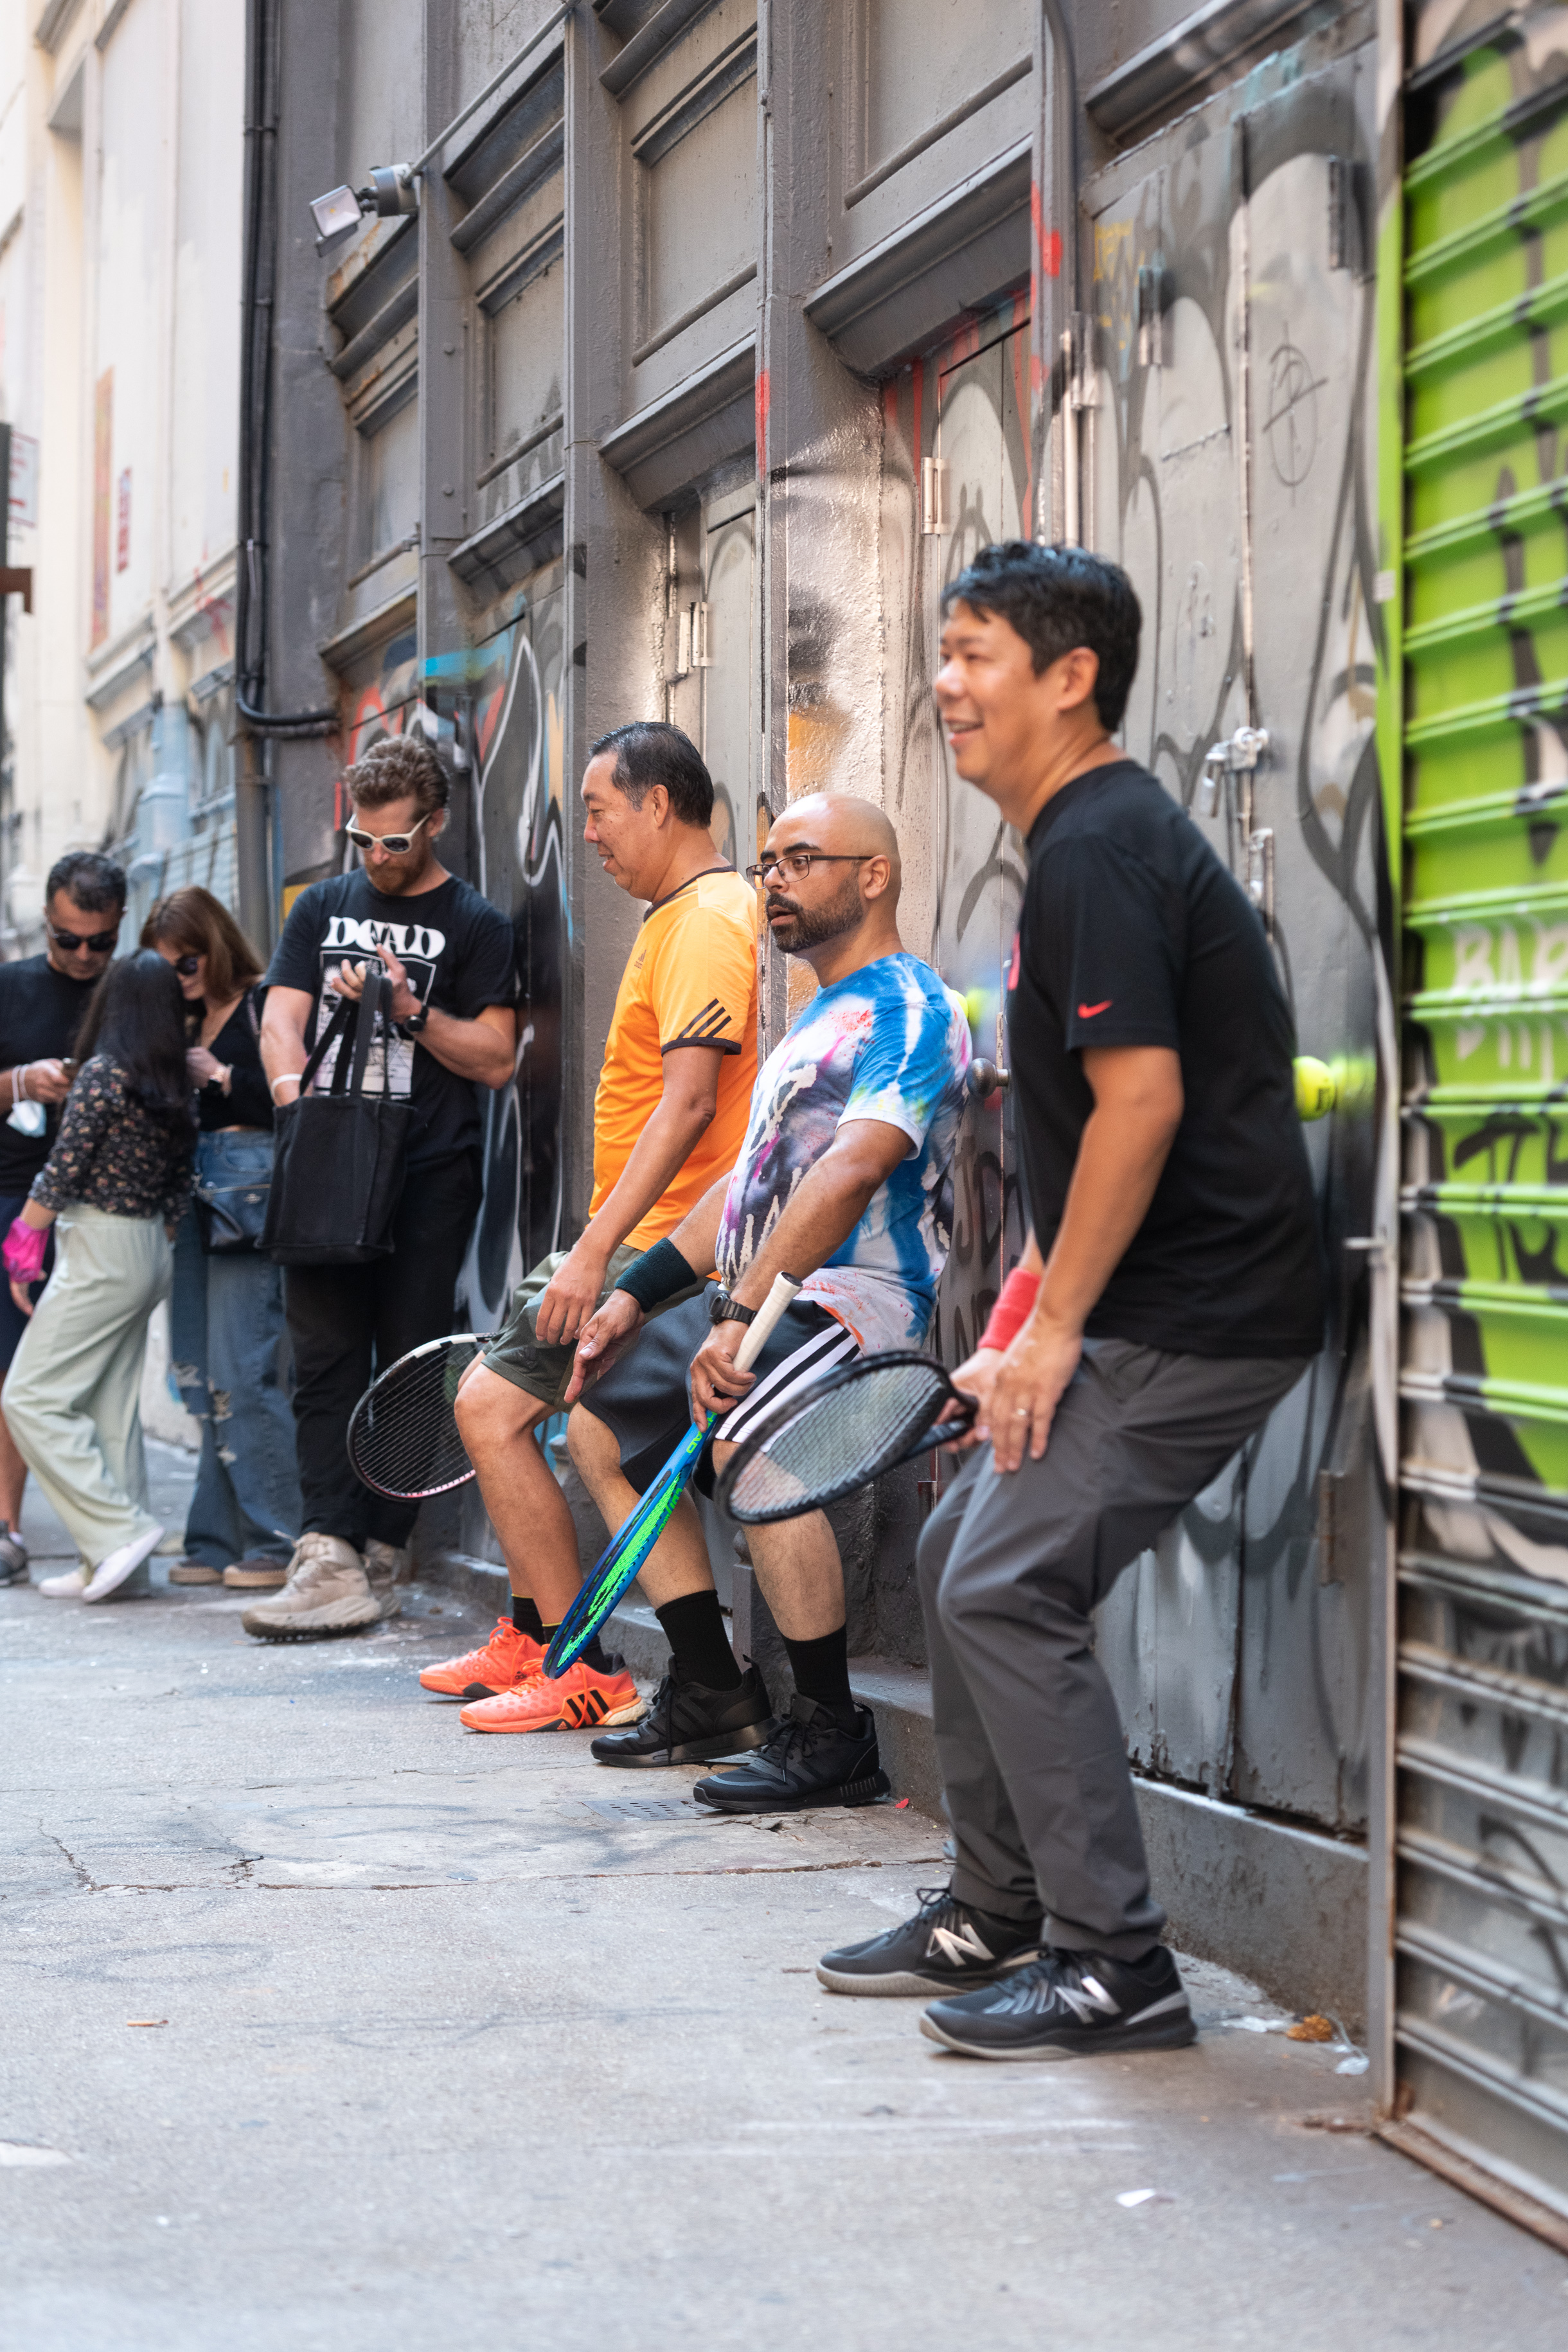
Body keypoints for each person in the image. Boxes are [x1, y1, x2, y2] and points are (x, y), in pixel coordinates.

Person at [814, 542, 1326, 2058]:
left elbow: (1141, 1104)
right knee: (970, 1540)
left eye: (973, 654)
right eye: (944, 653)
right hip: (1144, 1302)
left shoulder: (1100, 842)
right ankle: (999, 1903)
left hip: (1202, 1309)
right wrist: (1017, 1318)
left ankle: (1115, 1961)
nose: (945, 685)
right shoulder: (1080, 840)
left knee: (996, 1580)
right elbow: (1077, 1136)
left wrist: (1047, 1332)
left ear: (1068, 674)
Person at [560, 792, 970, 1808]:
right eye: (767, 864)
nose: (773, 881)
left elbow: (846, 1175)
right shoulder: (811, 1023)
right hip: (766, 1291)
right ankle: (709, 1689)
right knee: (598, 1429)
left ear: (873, 875)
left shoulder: (910, 1008)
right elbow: (742, 1190)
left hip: (863, 1302)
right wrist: (635, 1296)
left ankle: (833, 1735)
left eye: (800, 859)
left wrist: (740, 1318)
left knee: (747, 1431)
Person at [426, 722, 760, 1732]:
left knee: (501, 1410)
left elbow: (691, 1105)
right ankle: (550, 1644)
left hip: (661, 1243)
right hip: (637, 1235)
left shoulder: (707, 918)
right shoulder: (677, 915)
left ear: (660, 803)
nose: (593, 838)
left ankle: (578, 1662)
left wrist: (596, 1249)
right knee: (519, 1414)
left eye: (604, 812)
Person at [250, 732, 517, 1641]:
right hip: (327, 1162)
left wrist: (408, 1009)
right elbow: (281, 1018)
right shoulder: (321, 906)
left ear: (435, 824)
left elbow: (495, 1057)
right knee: (323, 1356)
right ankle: (323, 1549)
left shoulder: (475, 923)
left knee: (409, 1359)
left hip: (429, 1168)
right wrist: (298, 1108)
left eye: (394, 841)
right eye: (360, 837)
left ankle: (383, 1549)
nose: (374, 856)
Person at [1, 951, 196, 1601]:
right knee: (112, 1406)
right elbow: (180, 1184)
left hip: (101, 1243)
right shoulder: (171, 1079)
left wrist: (24, 1242)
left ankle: (116, 1533)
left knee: (29, 1397)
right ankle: (114, 1566)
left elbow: (63, 1167)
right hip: (148, 1249)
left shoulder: (104, 1074)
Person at [144, 887, 302, 1591]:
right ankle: (215, 1536)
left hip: (247, 1198)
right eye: (164, 969)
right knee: (197, 1377)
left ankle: (277, 1535)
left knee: (246, 1368)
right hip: (190, 1204)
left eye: (186, 963)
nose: (178, 978)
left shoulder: (265, 1002)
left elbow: (291, 1104)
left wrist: (222, 1075)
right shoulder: (174, 1019)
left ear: (214, 946)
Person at [0, 851, 127, 1584]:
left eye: (98, 942)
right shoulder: (13, 986)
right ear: (46, 924)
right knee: (15, 1369)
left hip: (105, 1209)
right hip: (16, 1201)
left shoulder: (135, 989)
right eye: (66, 940)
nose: (82, 956)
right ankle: (9, 1528)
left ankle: (105, 1536)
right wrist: (22, 1081)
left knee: (94, 1380)